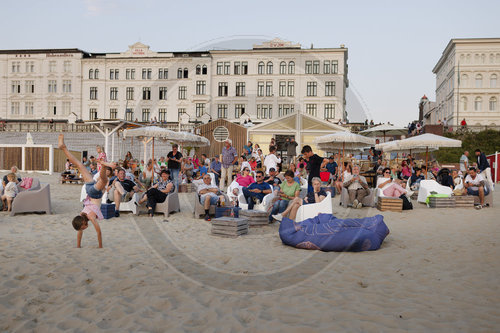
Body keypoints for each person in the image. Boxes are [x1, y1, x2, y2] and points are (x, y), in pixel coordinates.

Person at [59, 134, 115, 248]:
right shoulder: (81, 214)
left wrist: (100, 247)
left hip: (94, 194)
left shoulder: (91, 217)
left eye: (83, 227)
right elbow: (79, 233)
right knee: (79, 165)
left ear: (83, 224)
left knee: (104, 179)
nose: (83, 229)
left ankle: (104, 165)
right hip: (89, 189)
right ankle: (63, 147)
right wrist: (78, 246)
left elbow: (98, 232)